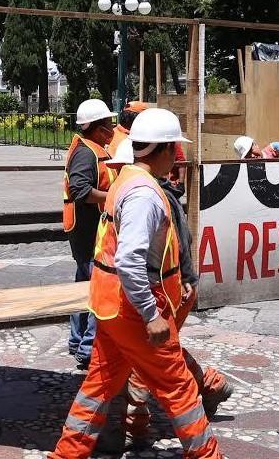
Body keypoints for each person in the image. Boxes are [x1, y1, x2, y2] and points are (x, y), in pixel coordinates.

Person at [49, 109, 219, 459]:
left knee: (98, 384)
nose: (176, 157)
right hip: (133, 309)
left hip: (109, 305)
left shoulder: (125, 179)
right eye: (174, 149)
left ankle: (68, 454)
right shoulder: (144, 194)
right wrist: (151, 314)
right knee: (179, 388)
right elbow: (129, 260)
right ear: (164, 149)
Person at [103, 140, 234, 446]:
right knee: (153, 356)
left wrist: (169, 293)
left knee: (151, 361)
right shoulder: (140, 191)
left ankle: (136, 426)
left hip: (159, 292)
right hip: (152, 291)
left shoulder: (145, 197)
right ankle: (210, 386)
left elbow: (174, 244)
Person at [63, 99, 118, 369]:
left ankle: (77, 341)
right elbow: (80, 190)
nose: (112, 128)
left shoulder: (94, 148)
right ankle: (88, 349)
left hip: (88, 230)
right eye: (108, 123)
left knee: (83, 287)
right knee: (100, 288)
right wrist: (114, 196)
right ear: (96, 128)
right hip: (88, 232)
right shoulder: (86, 154)